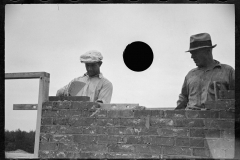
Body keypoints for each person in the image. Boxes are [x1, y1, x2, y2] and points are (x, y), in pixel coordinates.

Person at [175, 33, 235, 110]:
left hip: (216, 120)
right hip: (191, 120)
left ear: (208, 51)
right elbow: (182, 101)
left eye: (195, 53)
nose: (192, 57)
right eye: (191, 53)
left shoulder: (228, 72)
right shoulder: (190, 75)